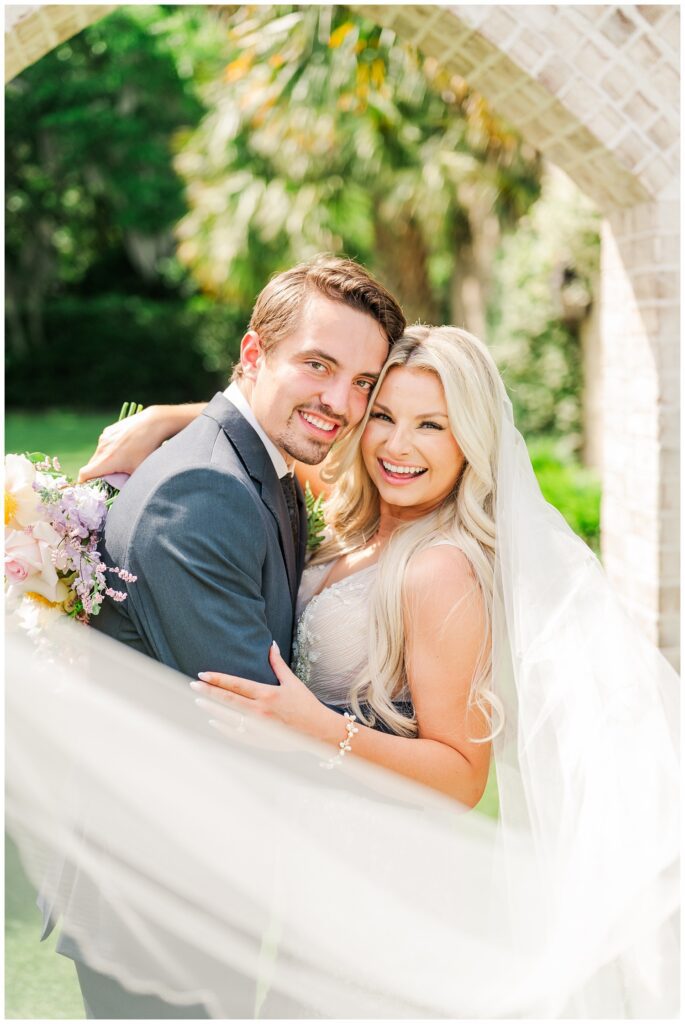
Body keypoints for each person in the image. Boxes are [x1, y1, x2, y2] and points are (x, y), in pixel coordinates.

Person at [19, 323, 677, 1018]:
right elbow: (280, 430)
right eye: (384, 416)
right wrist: (172, 417)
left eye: (432, 425)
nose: (398, 445)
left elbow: (460, 774)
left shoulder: (439, 569)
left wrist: (318, 729)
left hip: (384, 874)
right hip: (314, 873)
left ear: (471, 441)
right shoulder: (358, 520)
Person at [43, 253, 406, 1019]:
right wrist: (419, 779)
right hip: (159, 900)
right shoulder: (201, 495)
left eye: (362, 383)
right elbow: (255, 722)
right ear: (252, 354)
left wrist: (175, 412)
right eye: (318, 365)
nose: (341, 402)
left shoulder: (254, 462)